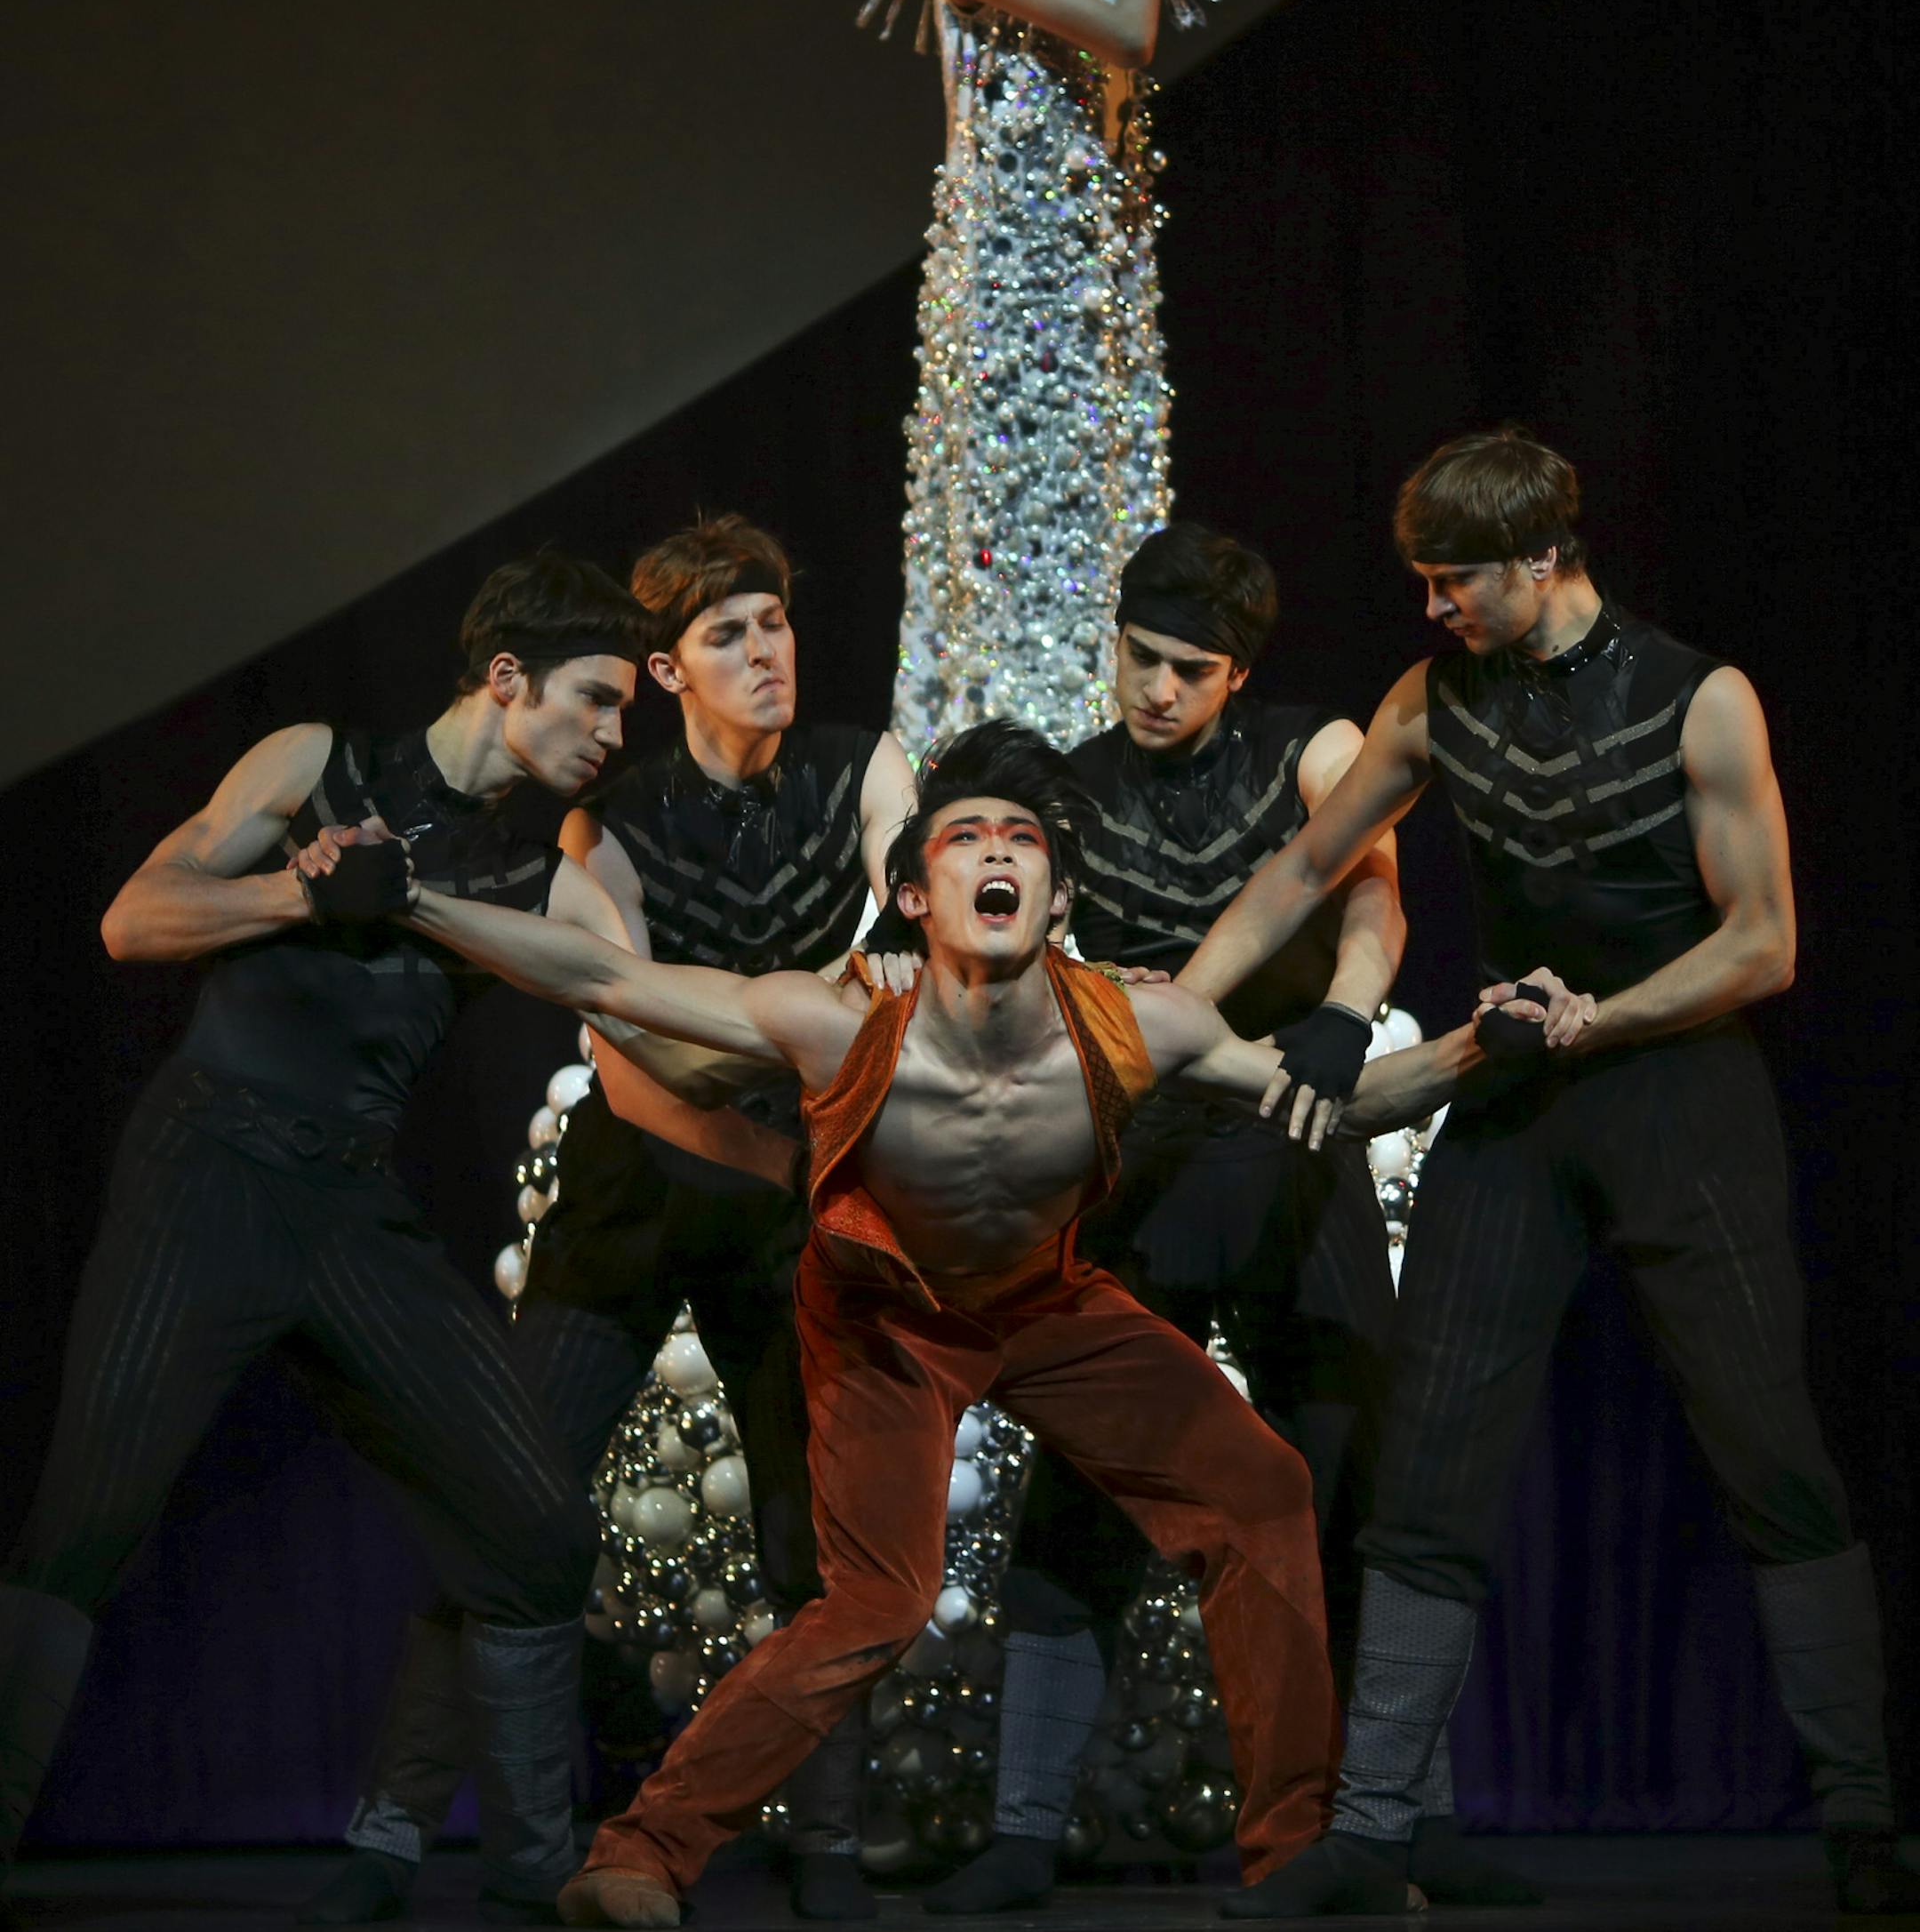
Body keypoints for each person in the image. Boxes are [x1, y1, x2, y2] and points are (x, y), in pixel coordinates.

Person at [324, 717, 1559, 1929]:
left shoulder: (1144, 1023)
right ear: (914, 896)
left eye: (1018, 834)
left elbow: (1337, 1106)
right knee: (876, 1599)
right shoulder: (841, 1021)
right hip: (883, 1321)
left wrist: (1479, 1041)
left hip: (1047, 1302)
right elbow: (602, 976)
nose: (994, 850)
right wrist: (413, 900)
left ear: (1056, 894)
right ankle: (641, 1847)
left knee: (1264, 1487)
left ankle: (1293, 1846)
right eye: (963, 836)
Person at [1176, 428, 1919, 1919]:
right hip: (1518, 1098)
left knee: (1769, 1449)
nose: (1434, 607)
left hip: (1672, 1091)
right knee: (1428, 1461)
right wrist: (1178, 1007)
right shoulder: (1431, 697)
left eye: (1456, 581)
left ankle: (1863, 1819)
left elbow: (1763, 939)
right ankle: (1374, 1831)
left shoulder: (1699, 697)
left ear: (1540, 560)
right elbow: (1306, 868)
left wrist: (1607, 1012)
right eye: (1424, 581)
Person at [0, 552, 652, 1924]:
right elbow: (134, 918)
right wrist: (307, 895)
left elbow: (624, 982)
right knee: (80, 1530)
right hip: (212, 1169)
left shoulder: (544, 861)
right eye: (596, 698)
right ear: (506, 678)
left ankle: (536, 1875)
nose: (612, 731)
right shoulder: (315, 759)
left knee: (535, 1523)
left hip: (354, 1203)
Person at [303, 517, 919, 1928]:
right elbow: (635, 1055)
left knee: (810, 1541)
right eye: (728, 636)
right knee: (502, 1509)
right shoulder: (612, 817)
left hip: (792, 1220)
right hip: (640, 1199)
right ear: (668, 666)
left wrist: (885, 941)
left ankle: (825, 1838)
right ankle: (391, 1832)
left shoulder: (861, 764)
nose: (764, 653)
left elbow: (901, 895)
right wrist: (793, 1087)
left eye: (774, 623)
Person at [924, 524, 1525, 1914]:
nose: (1156, 687)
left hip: (1292, 1126)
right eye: (1139, 657)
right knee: (1090, 1474)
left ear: (1236, 670)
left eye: (1188, 668)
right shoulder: (1068, 788)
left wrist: (1340, 1010)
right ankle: (1024, 1826)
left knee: (1348, 1472)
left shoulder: (1306, 750)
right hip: (1141, 1151)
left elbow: (1370, 889)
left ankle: (1398, 1817)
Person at [838, 0, 1226, 756]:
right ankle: (1014, 760)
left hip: (1093, 272)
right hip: (1016, 287)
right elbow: (1128, 31)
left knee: (1099, 524)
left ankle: (1105, 745)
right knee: (1013, 531)